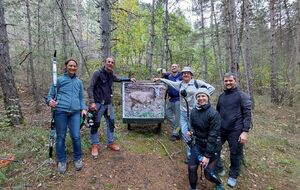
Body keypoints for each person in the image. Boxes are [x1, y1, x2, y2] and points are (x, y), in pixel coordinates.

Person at [153, 66, 215, 162]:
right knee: (184, 133)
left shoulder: (196, 83)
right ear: (182, 75)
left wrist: (202, 98)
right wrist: (160, 79)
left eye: (188, 73)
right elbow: (170, 83)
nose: (186, 74)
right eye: (184, 73)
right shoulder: (180, 84)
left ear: (191, 75)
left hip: (194, 113)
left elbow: (212, 88)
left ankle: (194, 155)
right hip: (183, 113)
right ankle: (191, 155)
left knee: (193, 134)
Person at [88, 57, 136, 158]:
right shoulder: (97, 73)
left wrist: (129, 79)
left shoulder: (110, 74)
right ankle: (95, 145)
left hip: (108, 104)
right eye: (109, 62)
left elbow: (118, 79)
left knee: (111, 122)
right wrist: (92, 102)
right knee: (95, 124)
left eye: (112, 62)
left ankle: (110, 143)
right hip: (97, 104)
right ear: (105, 62)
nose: (110, 64)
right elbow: (90, 87)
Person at [46, 59, 87, 174]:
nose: (72, 67)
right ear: (66, 66)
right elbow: (49, 96)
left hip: (75, 113)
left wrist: (83, 108)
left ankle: (78, 158)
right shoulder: (58, 80)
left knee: (76, 136)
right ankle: (62, 160)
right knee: (61, 137)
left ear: (76, 67)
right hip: (60, 112)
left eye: (74, 66)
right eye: (70, 65)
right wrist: (50, 101)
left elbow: (81, 97)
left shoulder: (79, 82)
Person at [216, 72, 252, 187]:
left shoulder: (242, 96)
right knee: (214, 148)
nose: (228, 83)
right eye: (226, 81)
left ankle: (233, 175)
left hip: (236, 130)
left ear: (235, 81)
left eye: (230, 80)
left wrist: (245, 132)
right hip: (221, 129)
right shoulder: (221, 96)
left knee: (235, 154)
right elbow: (217, 112)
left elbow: (247, 115)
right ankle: (219, 167)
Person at [188, 88, 224, 190]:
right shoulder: (194, 111)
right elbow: (192, 126)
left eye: (203, 96)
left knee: (208, 174)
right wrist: (191, 132)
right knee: (192, 167)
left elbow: (213, 136)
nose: (201, 98)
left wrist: (207, 156)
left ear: (208, 98)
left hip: (212, 146)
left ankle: (219, 183)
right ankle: (193, 187)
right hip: (198, 144)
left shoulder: (213, 113)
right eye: (198, 96)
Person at [159, 64, 182, 141]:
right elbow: (164, 74)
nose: (174, 67)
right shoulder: (169, 76)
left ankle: (175, 134)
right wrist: (162, 70)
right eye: (172, 66)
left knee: (178, 118)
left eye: (175, 66)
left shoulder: (181, 75)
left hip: (179, 99)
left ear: (178, 68)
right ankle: (179, 128)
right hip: (170, 99)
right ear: (171, 68)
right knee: (167, 114)